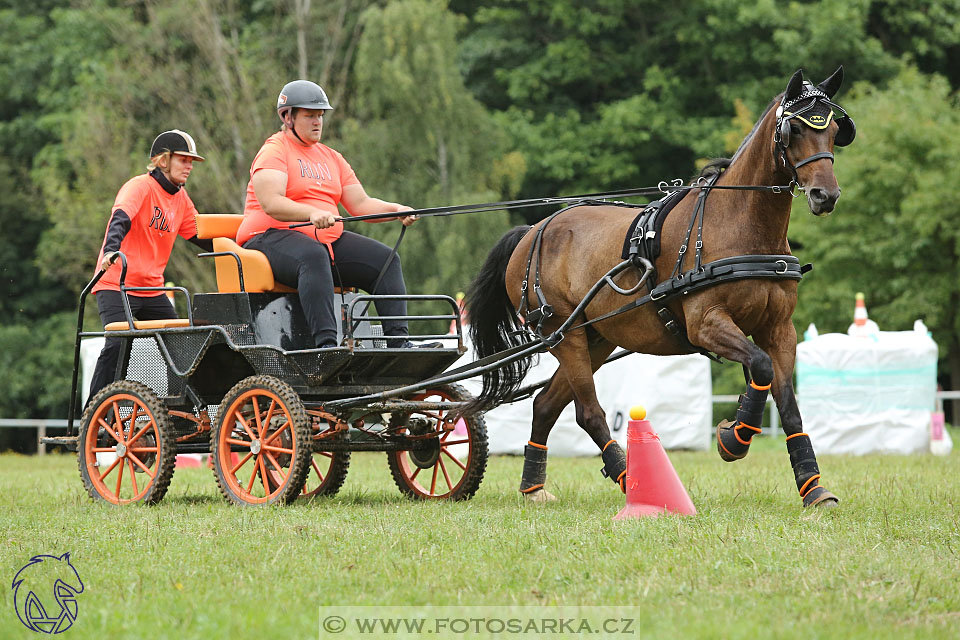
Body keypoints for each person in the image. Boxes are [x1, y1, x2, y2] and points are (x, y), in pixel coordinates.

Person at [238, 79, 436, 349]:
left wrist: (396, 210)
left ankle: (398, 344)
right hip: (268, 237)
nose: (318, 121)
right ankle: (327, 347)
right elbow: (271, 202)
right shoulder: (274, 151)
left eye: (320, 115)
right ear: (287, 117)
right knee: (312, 255)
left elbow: (361, 205)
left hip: (324, 240)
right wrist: (312, 212)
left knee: (386, 260)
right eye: (309, 115)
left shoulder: (331, 157)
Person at [88, 130, 212, 401]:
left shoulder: (181, 198)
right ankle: (93, 417)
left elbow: (202, 236)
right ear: (163, 161)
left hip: (151, 289)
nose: (190, 166)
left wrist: (244, 247)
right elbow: (120, 218)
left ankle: (179, 411)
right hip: (116, 284)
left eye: (192, 161)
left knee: (181, 347)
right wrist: (111, 250)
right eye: (184, 160)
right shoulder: (139, 186)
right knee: (118, 346)